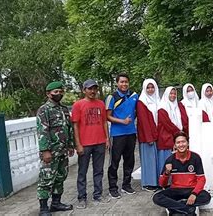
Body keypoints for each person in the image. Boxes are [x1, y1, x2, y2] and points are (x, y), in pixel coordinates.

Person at [36, 81, 75, 216]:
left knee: (60, 177)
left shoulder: (63, 109)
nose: (59, 94)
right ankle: (43, 208)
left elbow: (68, 129)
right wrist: (45, 150)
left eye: (60, 91)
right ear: (48, 94)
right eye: (55, 92)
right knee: (46, 179)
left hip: (62, 150)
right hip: (51, 151)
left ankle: (56, 203)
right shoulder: (44, 110)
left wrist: (70, 145)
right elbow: (42, 131)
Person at [72, 79, 110, 209]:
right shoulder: (78, 105)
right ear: (84, 90)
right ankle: (82, 197)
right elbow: (75, 125)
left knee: (98, 170)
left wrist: (107, 139)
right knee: (82, 171)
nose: (92, 91)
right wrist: (78, 144)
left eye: (94, 88)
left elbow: (104, 122)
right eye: (90, 89)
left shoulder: (100, 104)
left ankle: (98, 194)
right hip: (85, 143)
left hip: (99, 142)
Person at [153, 132, 211, 215]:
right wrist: (167, 172)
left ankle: (175, 208)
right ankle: (187, 209)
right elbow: (162, 184)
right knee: (157, 197)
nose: (181, 145)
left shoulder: (195, 157)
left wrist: (194, 194)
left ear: (188, 143)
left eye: (183, 142)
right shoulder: (170, 159)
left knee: (206, 197)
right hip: (175, 190)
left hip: (191, 189)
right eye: (178, 142)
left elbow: (201, 179)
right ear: (175, 145)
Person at [105, 73, 138, 198]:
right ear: (117, 83)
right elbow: (107, 116)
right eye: (121, 82)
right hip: (117, 134)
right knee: (114, 161)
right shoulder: (112, 97)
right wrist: (122, 121)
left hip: (131, 133)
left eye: (126, 82)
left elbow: (137, 112)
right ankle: (113, 188)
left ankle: (126, 185)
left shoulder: (134, 95)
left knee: (129, 160)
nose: (124, 84)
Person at [157, 87, 189, 175]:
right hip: (166, 137)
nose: (173, 95)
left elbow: (184, 119)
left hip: (178, 136)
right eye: (171, 93)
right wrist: (179, 133)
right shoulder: (162, 107)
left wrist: (183, 132)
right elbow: (166, 123)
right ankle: (164, 181)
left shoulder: (178, 105)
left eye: (174, 94)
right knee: (167, 160)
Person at [136, 78, 160, 191]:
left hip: (156, 134)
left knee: (155, 160)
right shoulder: (142, 102)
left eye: (152, 87)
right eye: (148, 88)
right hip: (147, 137)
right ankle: (148, 183)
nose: (150, 90)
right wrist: (149, 137)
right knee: (149, 160)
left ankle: (156, 181)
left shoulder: (157, 100)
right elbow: (143, 121)